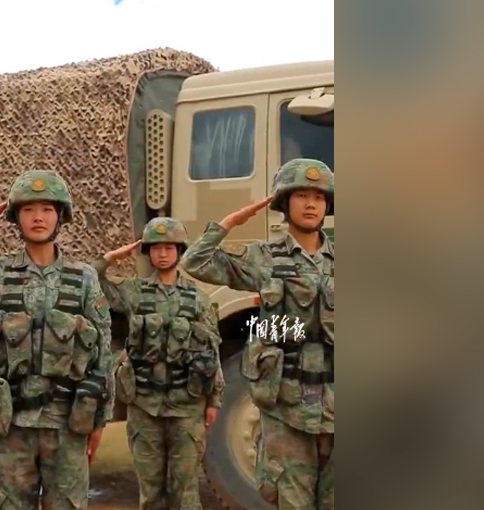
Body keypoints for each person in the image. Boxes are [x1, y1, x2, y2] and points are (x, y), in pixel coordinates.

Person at [0, 170, 114, 510]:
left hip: (67, 425)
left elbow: (102, 351)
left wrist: (99, 419)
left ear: (60, 217)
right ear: (15, 218)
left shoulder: (83, 278)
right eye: (28, 209)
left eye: (47, 209)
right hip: (11, 426)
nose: (38, 217)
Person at [182, 158, 334, 510]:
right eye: (301, 196)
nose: (311, 204)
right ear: (283, 202)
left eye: (318, 197)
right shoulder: (264, 258)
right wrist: (229, 223)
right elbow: (195, 262)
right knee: (291, 501)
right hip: (286, 405)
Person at [93, 217, 224, 510]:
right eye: (155, 248)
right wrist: (109, 258)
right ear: (148, 252)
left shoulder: (198, 299)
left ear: (179, 251)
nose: (162, 254)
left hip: (187, 407)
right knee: (150, 492)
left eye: (169, 247)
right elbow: (89, 282)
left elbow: (211, 349)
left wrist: (214, 400)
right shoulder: (134, 292)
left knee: (185, 492)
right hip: (144, 406)